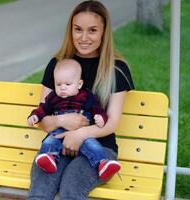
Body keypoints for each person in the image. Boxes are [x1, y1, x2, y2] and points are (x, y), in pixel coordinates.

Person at [27, 1, 134, 199]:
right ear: (71, 30)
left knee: (70, 189)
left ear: (104, 32)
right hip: (55, 148)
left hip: (100, 152)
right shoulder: (58, 65)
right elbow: (44, 119)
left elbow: (111, 122)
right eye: (78, 29)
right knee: (40, 190)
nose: (84, 38)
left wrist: (79, 134)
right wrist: (61, 121)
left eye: (92, 30)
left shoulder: (116, 69)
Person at [27, 58, 121, 181]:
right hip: (59, 131)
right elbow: (43, 109)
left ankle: (103, 163)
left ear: (79, 84)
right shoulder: (53, 97)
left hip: (81, 130)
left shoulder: (86, 96)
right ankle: (48, 158)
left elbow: (97, 109)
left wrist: (100, 117)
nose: (63, 88)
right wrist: (34, 116)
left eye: (67, 84)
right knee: (50, 141)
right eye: (58, 84)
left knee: (91, 144)